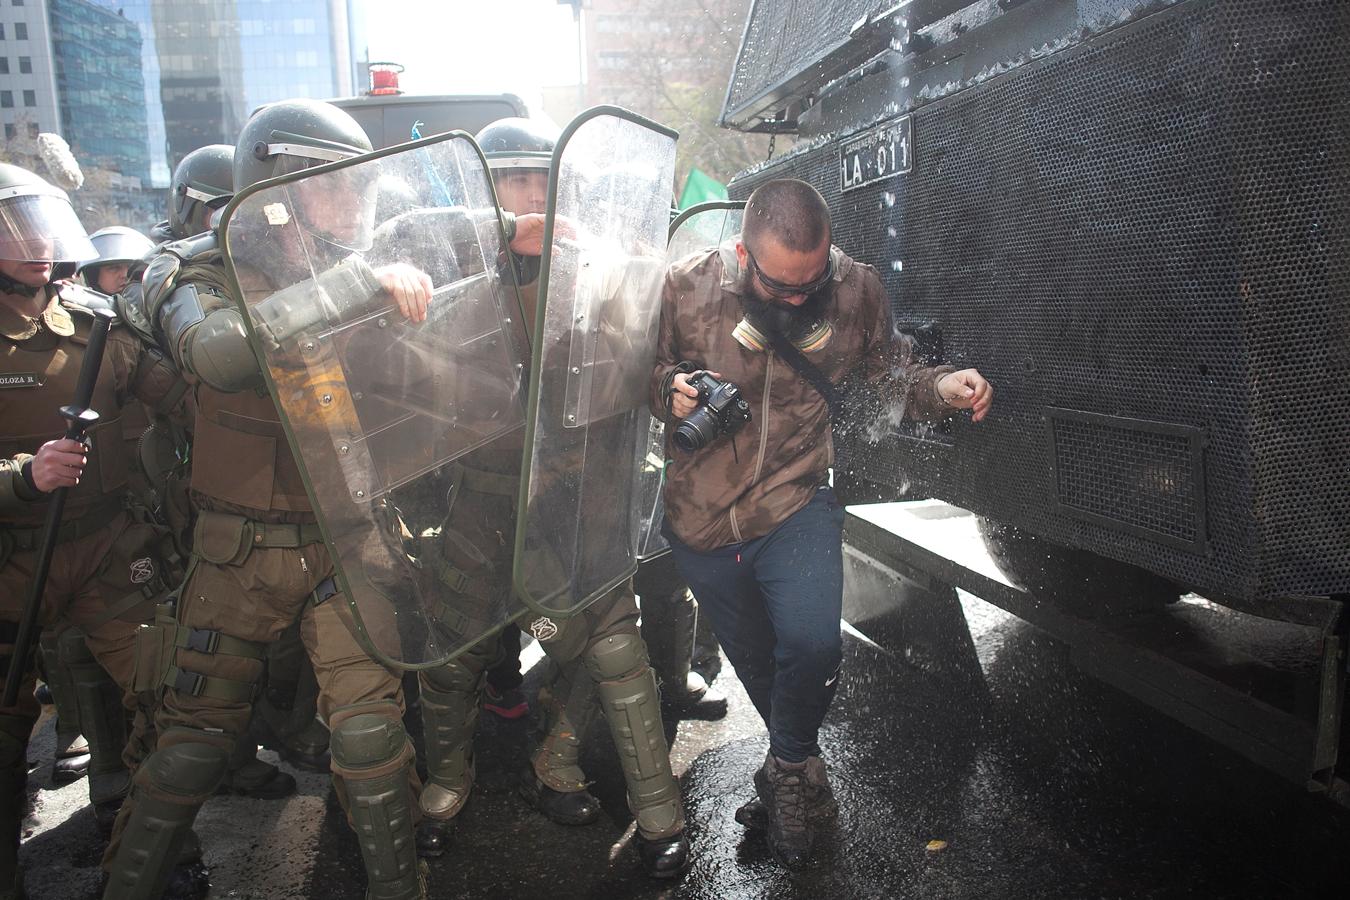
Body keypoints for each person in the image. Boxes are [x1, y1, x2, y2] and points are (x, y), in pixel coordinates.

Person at [650, 178, 993, 869]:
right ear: (743, 255)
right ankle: (795, 779)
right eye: (779, 286)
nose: (798, 299)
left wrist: (944, 387)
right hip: (702, 523)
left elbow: (890, 376)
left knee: (811, 647)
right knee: (765, 674)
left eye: (811, 283)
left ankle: (793, 773)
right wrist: (669, 388)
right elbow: (630, 374)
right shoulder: (684, 287)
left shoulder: (857, 288)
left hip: (795, 501)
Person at [409, 116, 689, 880]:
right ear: (487, 195)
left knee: (611, 649)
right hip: (478, 502)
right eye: (512, 183)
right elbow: (410, 255)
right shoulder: (450, 264)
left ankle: (594, 781)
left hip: (569, 504)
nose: (533, 196)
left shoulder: (597, 269)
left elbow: (639, 359)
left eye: (543, 180)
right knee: (450, 657)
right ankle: (446, 784)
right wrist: (504, 242)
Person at [0, 163, 191, 896]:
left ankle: (158, 852)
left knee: (168, 697)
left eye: (39, 224)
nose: (35, 244)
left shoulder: (94, 318)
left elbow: (175, 392)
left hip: (109, 547)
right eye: (12, 229)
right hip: (16, 556)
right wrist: (22, 475)